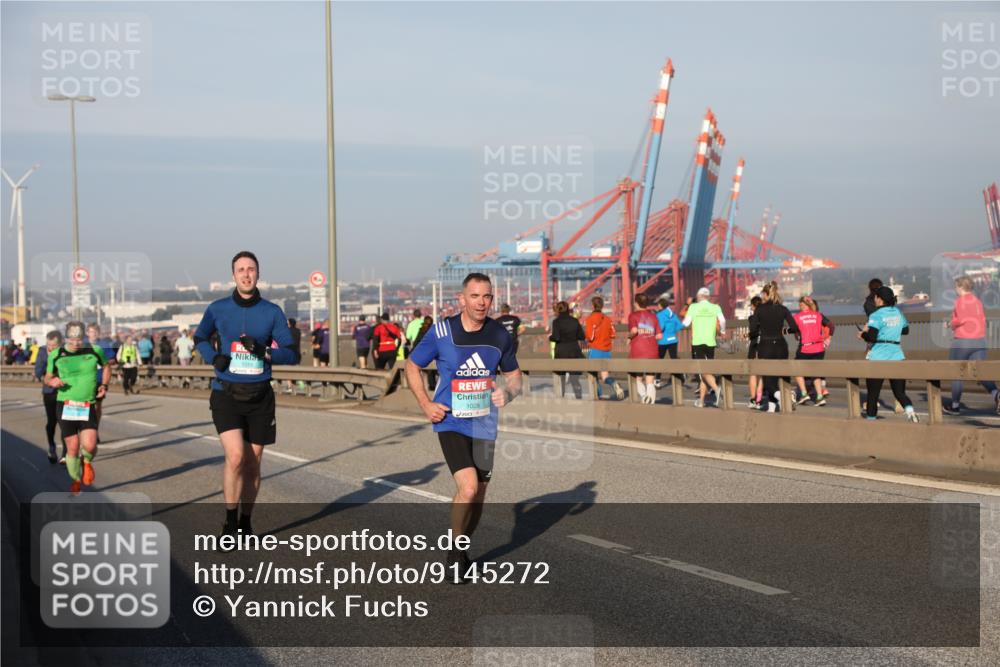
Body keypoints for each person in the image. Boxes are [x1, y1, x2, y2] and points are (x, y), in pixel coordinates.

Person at [404, 272, 521, 583]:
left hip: (484, 424)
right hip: (451, 421)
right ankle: (455, 554)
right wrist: (426, 404)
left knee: (478, 494)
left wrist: (508, 393)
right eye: (475, 296)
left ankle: (462, 546)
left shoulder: (499, 334)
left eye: (487, 296)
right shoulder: (442, 331)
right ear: (462, 299)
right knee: (467, 487)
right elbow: (412, 365)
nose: (481, 302)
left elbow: (515, 376)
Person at [194, 251, 297, 539]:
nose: (246, 274)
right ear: (233, 275)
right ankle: (229, 523)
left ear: (258, 274)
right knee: (236, 457)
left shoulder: (271, 312)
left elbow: (291, 353)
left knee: (252, 463)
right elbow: (200, 337)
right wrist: (214, 358)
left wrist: (264, 352)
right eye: (241, 270)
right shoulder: (218, 308)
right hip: (226, 393)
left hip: (260, 395)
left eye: (251, 269)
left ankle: (245, 523)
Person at [44, 321, 110, 493]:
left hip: (87, 405)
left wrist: (104, 385)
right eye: (72, 339)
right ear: (66, 338)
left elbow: (106, 366)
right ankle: (75, 481)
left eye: (79, 339)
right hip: (66, 405)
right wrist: (52, 381)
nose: (75, 343)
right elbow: (47, 377)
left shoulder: (95, 350)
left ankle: (86, 461)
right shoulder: (56, 354)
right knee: (72, 447)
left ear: (84, 337)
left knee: (90, 445)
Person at [858, 285, 918, 422]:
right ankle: (911, 412)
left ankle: (871, 422)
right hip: (897, 355)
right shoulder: (898, 312)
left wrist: (863, 334)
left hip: (878, 357)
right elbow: (906, 330)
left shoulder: (876, 315)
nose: (874, 299)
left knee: (873, 394)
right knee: (900, 393)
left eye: (875, 297)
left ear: (879, 299)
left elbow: (872, 337)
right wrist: (891, 330)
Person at [944, 276, 1000, 415]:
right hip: (979, 341)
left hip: (963, 341)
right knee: (980, 372)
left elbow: (961, 319)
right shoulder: (978, 301)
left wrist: (950, 324)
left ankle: (955, 406)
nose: (955, 289)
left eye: (956, 287)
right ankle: (996, 394)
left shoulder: (960, 301)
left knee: (956, 373)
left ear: (961, 287)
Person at [750, 282, 798, 413]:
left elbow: (753, 330)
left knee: (767, 380)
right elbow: (794, 328)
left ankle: (784, 398)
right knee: (777, 378)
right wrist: (784, 331)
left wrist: (755, 333)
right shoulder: (783, 309)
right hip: (781, 346)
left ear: (765, 294)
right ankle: (771, 408)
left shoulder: (760, 309)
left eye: (762, 294)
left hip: (766, 346)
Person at [682, 287, 727, 408]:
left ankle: (716, 389)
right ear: (708, 297)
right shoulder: (715, 307)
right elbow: (722, 320)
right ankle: (701, 401)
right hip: (710, 342)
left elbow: (686, 323)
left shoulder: (693, 307)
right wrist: (722, 331)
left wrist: (679, 324)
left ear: (699, 296)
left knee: (703, 371)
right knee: (706, 372)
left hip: (698, 342)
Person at [793, 296, 835, 406]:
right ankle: (820, 397)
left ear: (804, 305)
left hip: (805, 349)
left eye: (801, 305)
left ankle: (803, 394)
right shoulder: (818, 315)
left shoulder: (797, 316)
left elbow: (794, 330)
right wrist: (829, 338)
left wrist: (795, 333)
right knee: (815, 373)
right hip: (819, 348)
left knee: (796, 370)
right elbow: (831, 325)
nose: (800, 307)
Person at [583, 296, 623, 400]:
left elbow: (590, 337)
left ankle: (598, 396)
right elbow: (613, 334)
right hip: (606, 350)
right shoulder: (608, 319)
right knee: (605, 376)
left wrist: (587, 337)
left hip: (595, 349)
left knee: (592, 374)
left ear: (592, 306)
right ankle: (613, 383)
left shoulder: (590, 319)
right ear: (602, 306)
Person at [627, 293, 662, 404]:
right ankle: (650, 401)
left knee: (637, 378)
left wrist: (629, 338)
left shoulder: (633, 316)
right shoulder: (654, 316)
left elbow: (634, 331)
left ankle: (643, 396)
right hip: (652, 350)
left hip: (638, 350)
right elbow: (659, 336)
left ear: (636, 303)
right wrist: (650, 337)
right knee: (650, 379)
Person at [35, 330, 63, 464]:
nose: (51, 348)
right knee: (52, 421)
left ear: (60, 344)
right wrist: (48, 375)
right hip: (49, 391)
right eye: (49, 345)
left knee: (65, 422)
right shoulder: (42, 352)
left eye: (54, 345)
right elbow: (38, 371)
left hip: (65, 390)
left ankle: (66, 453)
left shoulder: (65, 352)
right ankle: (52, 446)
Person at [549, 301, 585, 399]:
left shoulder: (556, 322)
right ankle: (579, 397)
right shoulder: (574, 321)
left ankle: (561, 398)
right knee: (574, 378)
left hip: (561, 352)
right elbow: (581, 336)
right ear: (568, 309)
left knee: (561, 378)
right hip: (574, 351)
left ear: (558, 310)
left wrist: (550, 338)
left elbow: (556, 337)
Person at [86, 323, 116, 439]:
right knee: (87, 406)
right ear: (87, 333)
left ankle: (95, 429)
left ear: (98, 333)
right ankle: (87, 430)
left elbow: (112, 359)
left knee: (97, 406)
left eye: (95, 332)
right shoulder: (83, 345)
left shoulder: (104, 345)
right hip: (85, 380)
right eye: (91, 332)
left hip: (99, 379)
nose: (93, 334)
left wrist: (104, 362)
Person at [655, 297, 685, 390]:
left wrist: (655, 332)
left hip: (663, 341)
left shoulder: (660, 314)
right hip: (673, 340)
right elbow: (680, 325)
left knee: (659, 360)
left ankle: (657, 381)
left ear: (661, 306)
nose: (657, 307)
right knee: (674, 359)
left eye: (658, 305)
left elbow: (661, 327)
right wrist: (672, 332)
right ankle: (680, 376)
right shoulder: (673, 314)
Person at [746, 295, 763, 408]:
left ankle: (753, 399)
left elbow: (753, 332)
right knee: (761, 374)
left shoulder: (752, 318)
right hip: (765, 346)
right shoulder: (766, 317)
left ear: (753, 306)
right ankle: (759, 399)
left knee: (753, 373)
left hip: (755, 346)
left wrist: (748, 335)